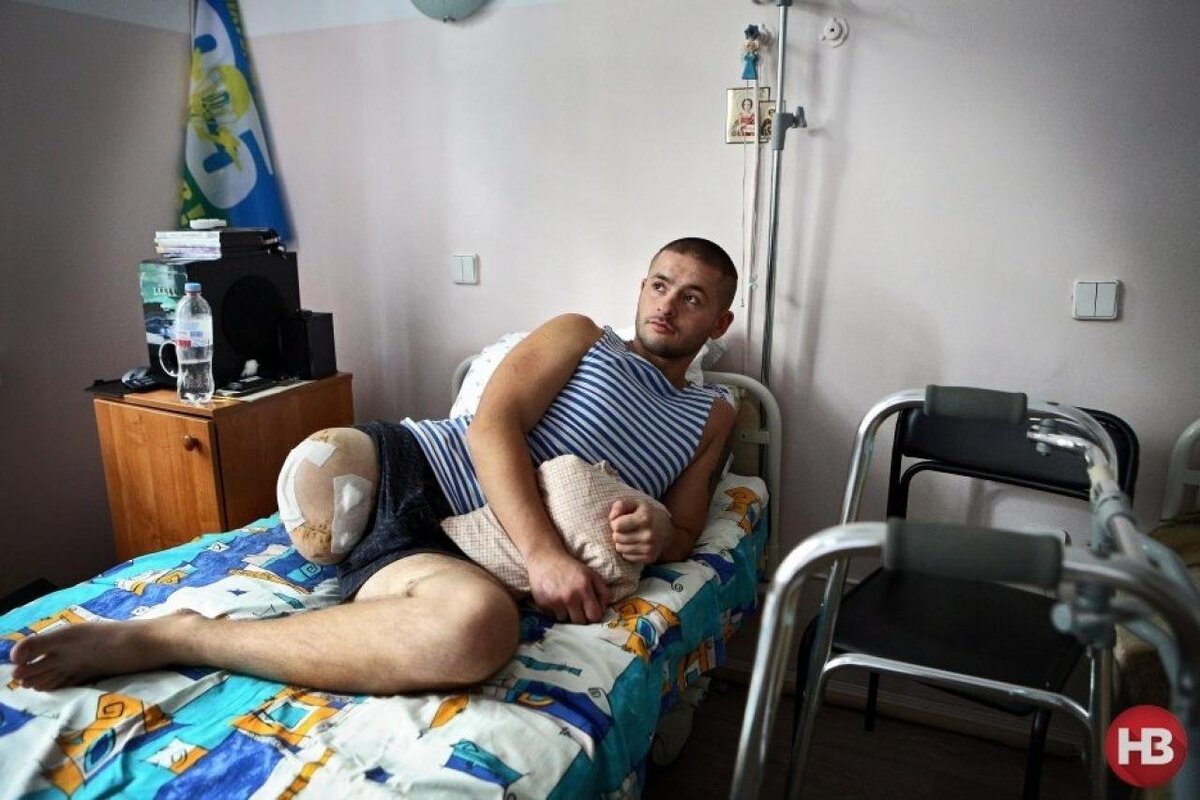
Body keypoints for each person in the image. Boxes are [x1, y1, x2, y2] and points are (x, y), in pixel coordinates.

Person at [10, 238, 739, 696]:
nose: (667, 305)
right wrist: (545, 554)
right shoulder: (581, 335)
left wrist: (655, 532)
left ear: (720, 323)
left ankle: (180, 636)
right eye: (658, 284)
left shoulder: (714, 415)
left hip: (467, 554)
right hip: (420, 469)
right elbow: (492, 425)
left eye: (692, 298)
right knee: (319, 471)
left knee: (478, 629)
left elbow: (684, 534)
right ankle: (335, 523)